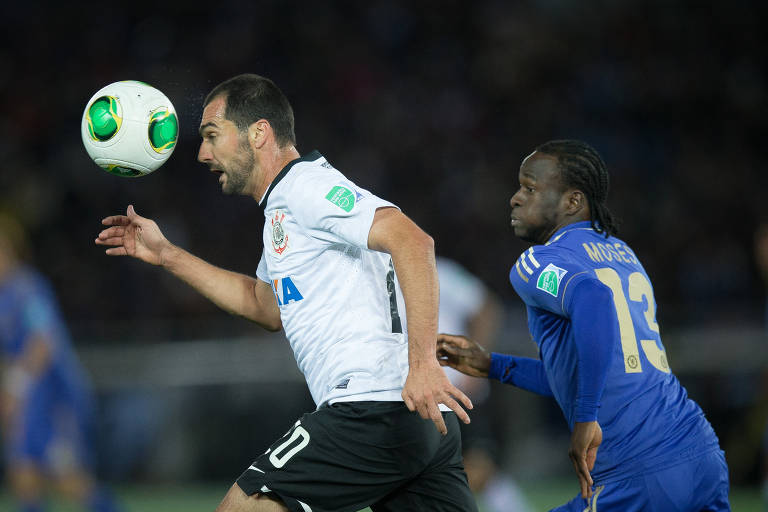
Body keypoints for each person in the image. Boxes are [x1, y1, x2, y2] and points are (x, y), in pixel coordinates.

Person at [95, 73, 476, 512]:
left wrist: (424, 362)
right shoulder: (283, 210)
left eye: (212, 135)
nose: (202, 153)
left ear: (259, 132)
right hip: (418, 419)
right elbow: (265, 306)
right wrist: (168, 256)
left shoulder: (306, 189)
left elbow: (413, 241)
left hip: (372, 406)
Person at [437, 140, 730, 511]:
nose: (514, 198)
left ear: (572, 202)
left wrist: (586, 418)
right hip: (699, 452)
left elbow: (592, 299)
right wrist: (492, 365)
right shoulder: (623, 253)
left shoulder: (537, 262)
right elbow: (597, 366)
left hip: (636, 468)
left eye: (530, 188)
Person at [0, 214, 120, 512]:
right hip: (28, 403)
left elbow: (43, 340)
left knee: (68, 480)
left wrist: (15, 386)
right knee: (23, 475)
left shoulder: (27, 288)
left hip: (55, 397)